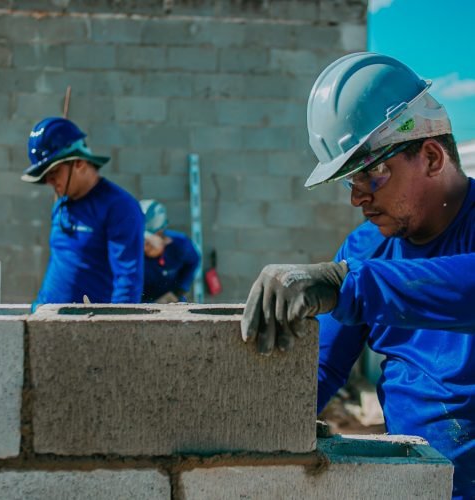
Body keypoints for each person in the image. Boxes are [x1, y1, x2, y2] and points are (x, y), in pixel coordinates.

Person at [241, 52, 474, 500]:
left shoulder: (360, 272)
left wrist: (347, 283)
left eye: (371, 174)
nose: (357, 199)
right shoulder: (366, 249)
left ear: (429, 156)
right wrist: (260, 433)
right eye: (349, 182)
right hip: (420, 487)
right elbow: (321, 366)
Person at [21, 117, 144, 307]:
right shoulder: (62, 204)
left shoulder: (119, 207)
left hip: (85, 326)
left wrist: (119, 328)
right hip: (44, 317)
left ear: (78, 163)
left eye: (54, 173)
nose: (49, 182)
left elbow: (127, 280)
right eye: (45, 177)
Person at [140, 199, 200, 303]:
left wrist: (178, 291)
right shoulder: (128, 252)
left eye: (146, 240)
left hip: (169, 303)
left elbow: (194, 261)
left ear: (160, 233)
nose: (142, 245)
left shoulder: (180, 245)